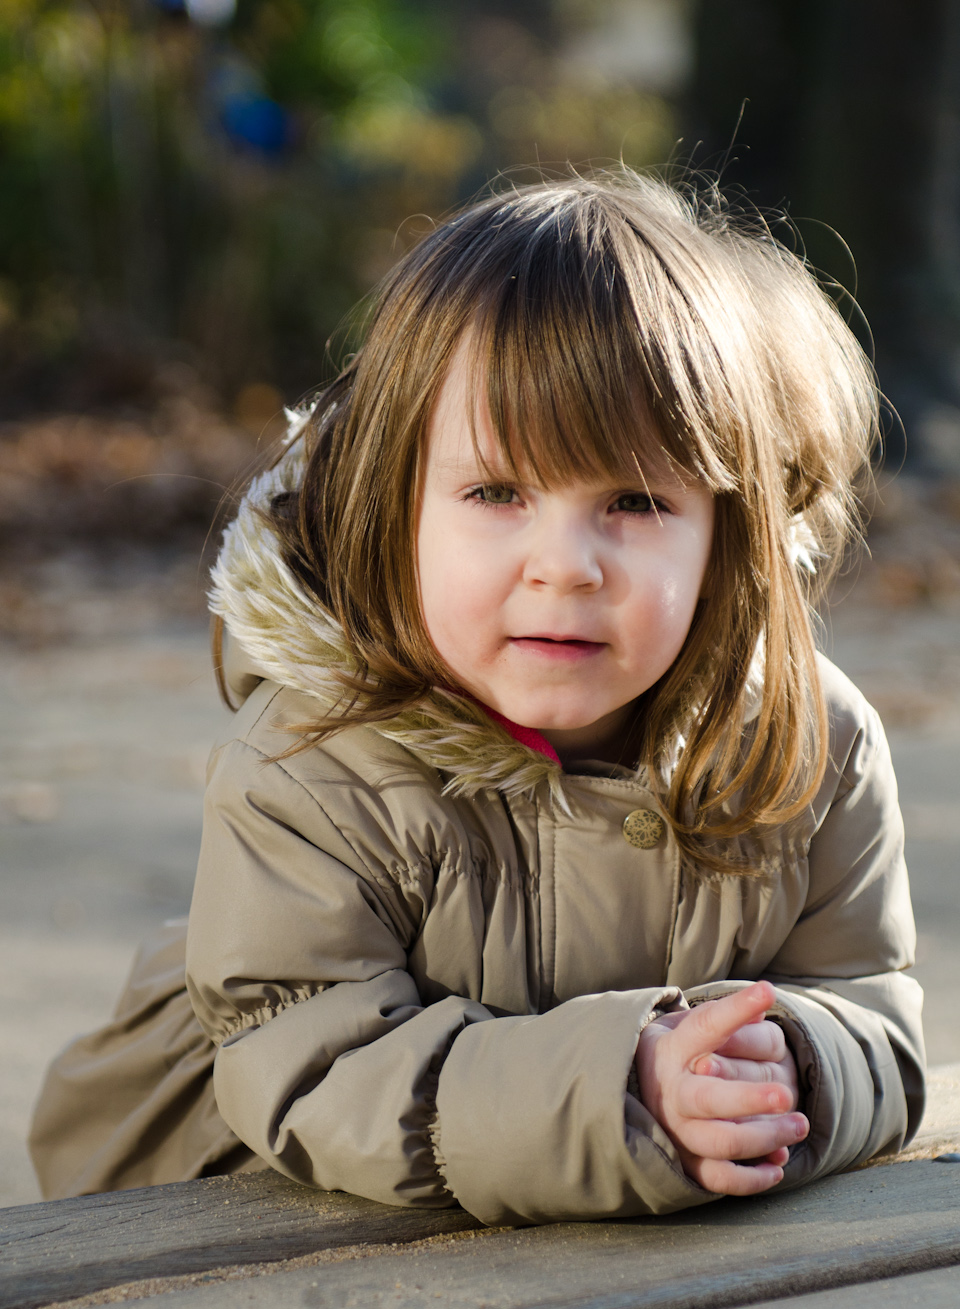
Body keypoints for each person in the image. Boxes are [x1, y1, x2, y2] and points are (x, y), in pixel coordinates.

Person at [30, 172, 924, 1225]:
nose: (565, 565)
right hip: (256, 1211)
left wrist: (798, 1066)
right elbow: (318, 1070)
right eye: (498, 492)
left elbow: (873, 1011)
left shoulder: (806, 745)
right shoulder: (311, 764)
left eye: (635, 501)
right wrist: (618, 1088)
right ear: (395, 499)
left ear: (733, 532)